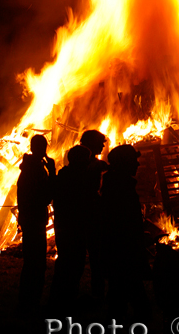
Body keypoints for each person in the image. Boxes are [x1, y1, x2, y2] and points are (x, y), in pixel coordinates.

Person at [101, 144, 150, 320]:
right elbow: (124, 222)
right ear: (124, 163)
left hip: (121, 251)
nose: (137, 165)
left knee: (120, 292)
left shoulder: (116, 183)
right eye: (134, 161)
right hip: (124, 250)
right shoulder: (120, 187)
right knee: (127, 290)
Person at [50, 144, 92, 309]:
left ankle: (63, 300)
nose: (88, 163)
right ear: (78, 160)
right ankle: (62, 302)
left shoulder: (68, 176)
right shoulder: (73, 178)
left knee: (70, 264)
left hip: (68, 226)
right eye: (86, 160)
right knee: (70, 264)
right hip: (71, 227)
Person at [16, 134, 55, 309]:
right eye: (41, 147)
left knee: (32, 262)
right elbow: (46, 196)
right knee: (36, 264)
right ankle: (30, 302)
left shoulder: (31, 167)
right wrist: (52, 173)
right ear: (35, 148)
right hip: (34, 219)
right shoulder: (36, 170)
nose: (44, 150)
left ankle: (27, 300)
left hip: (30, 219)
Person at [80, 129, 109, 298]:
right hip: (86, 215)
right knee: (94, 256)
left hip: (90, 213)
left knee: (97, 257)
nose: (103, 145)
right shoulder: (86, 162)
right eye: (101, 142)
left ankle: (97, 292)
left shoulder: (92, 161)